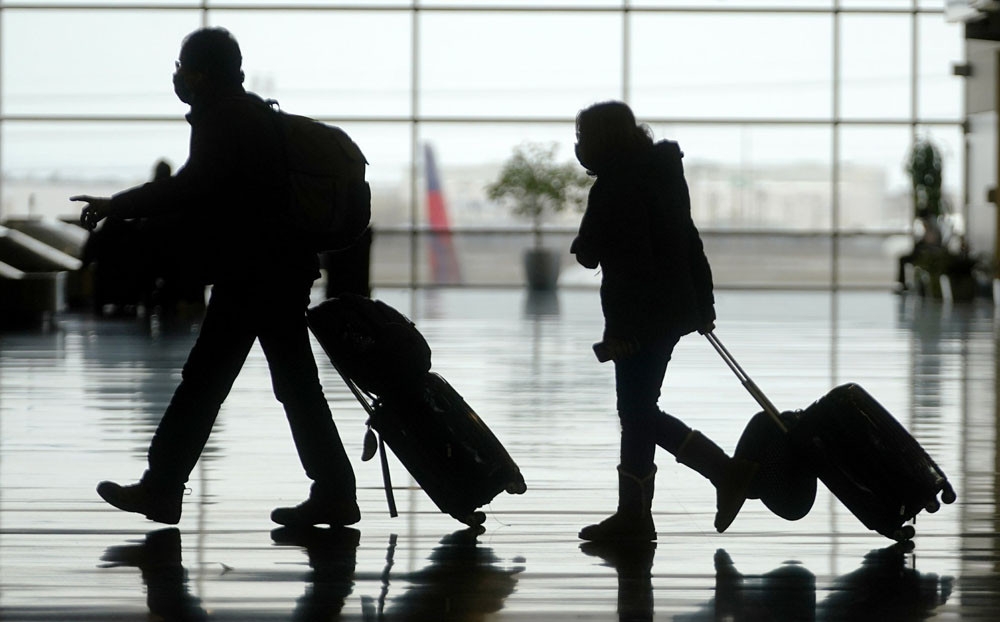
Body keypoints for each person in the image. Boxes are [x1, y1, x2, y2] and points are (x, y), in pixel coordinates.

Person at [71, 27, 358, 528]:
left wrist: (117, 206)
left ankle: (164, 488)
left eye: (181, 67)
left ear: (200, 74)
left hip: (254, 273)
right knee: (285, 385)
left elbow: (190, 187)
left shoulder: (225, 118)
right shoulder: (249, 113)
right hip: (274, 269)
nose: (177, 76)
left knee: (208, 382)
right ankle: (333, 492)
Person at [571, 101, 757, 542]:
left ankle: (720, 474)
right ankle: (639, 513)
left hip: (635, 315)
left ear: (601, 140)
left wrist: (587, 244)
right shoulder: (663, 175)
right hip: (671, 310)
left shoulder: (614, 185)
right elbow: (687, 239)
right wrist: (703, 304)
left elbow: (592, 253)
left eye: (583, 137)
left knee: (636, 412)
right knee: (639, 411)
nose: (579, 146)